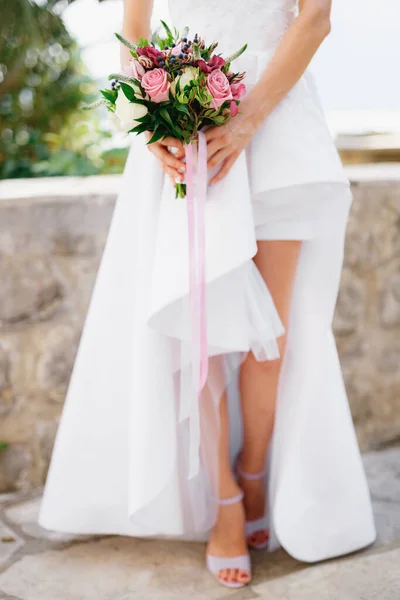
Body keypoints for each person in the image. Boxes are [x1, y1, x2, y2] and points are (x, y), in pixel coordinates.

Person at [39, 0, 376, 589]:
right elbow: (134, 31)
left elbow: (316, 16)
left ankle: (253, 475)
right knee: (199, 334)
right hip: (185, 135)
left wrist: (245, 122)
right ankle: (224, 499)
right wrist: (147, 124)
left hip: (279, 126)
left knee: (271, 340)